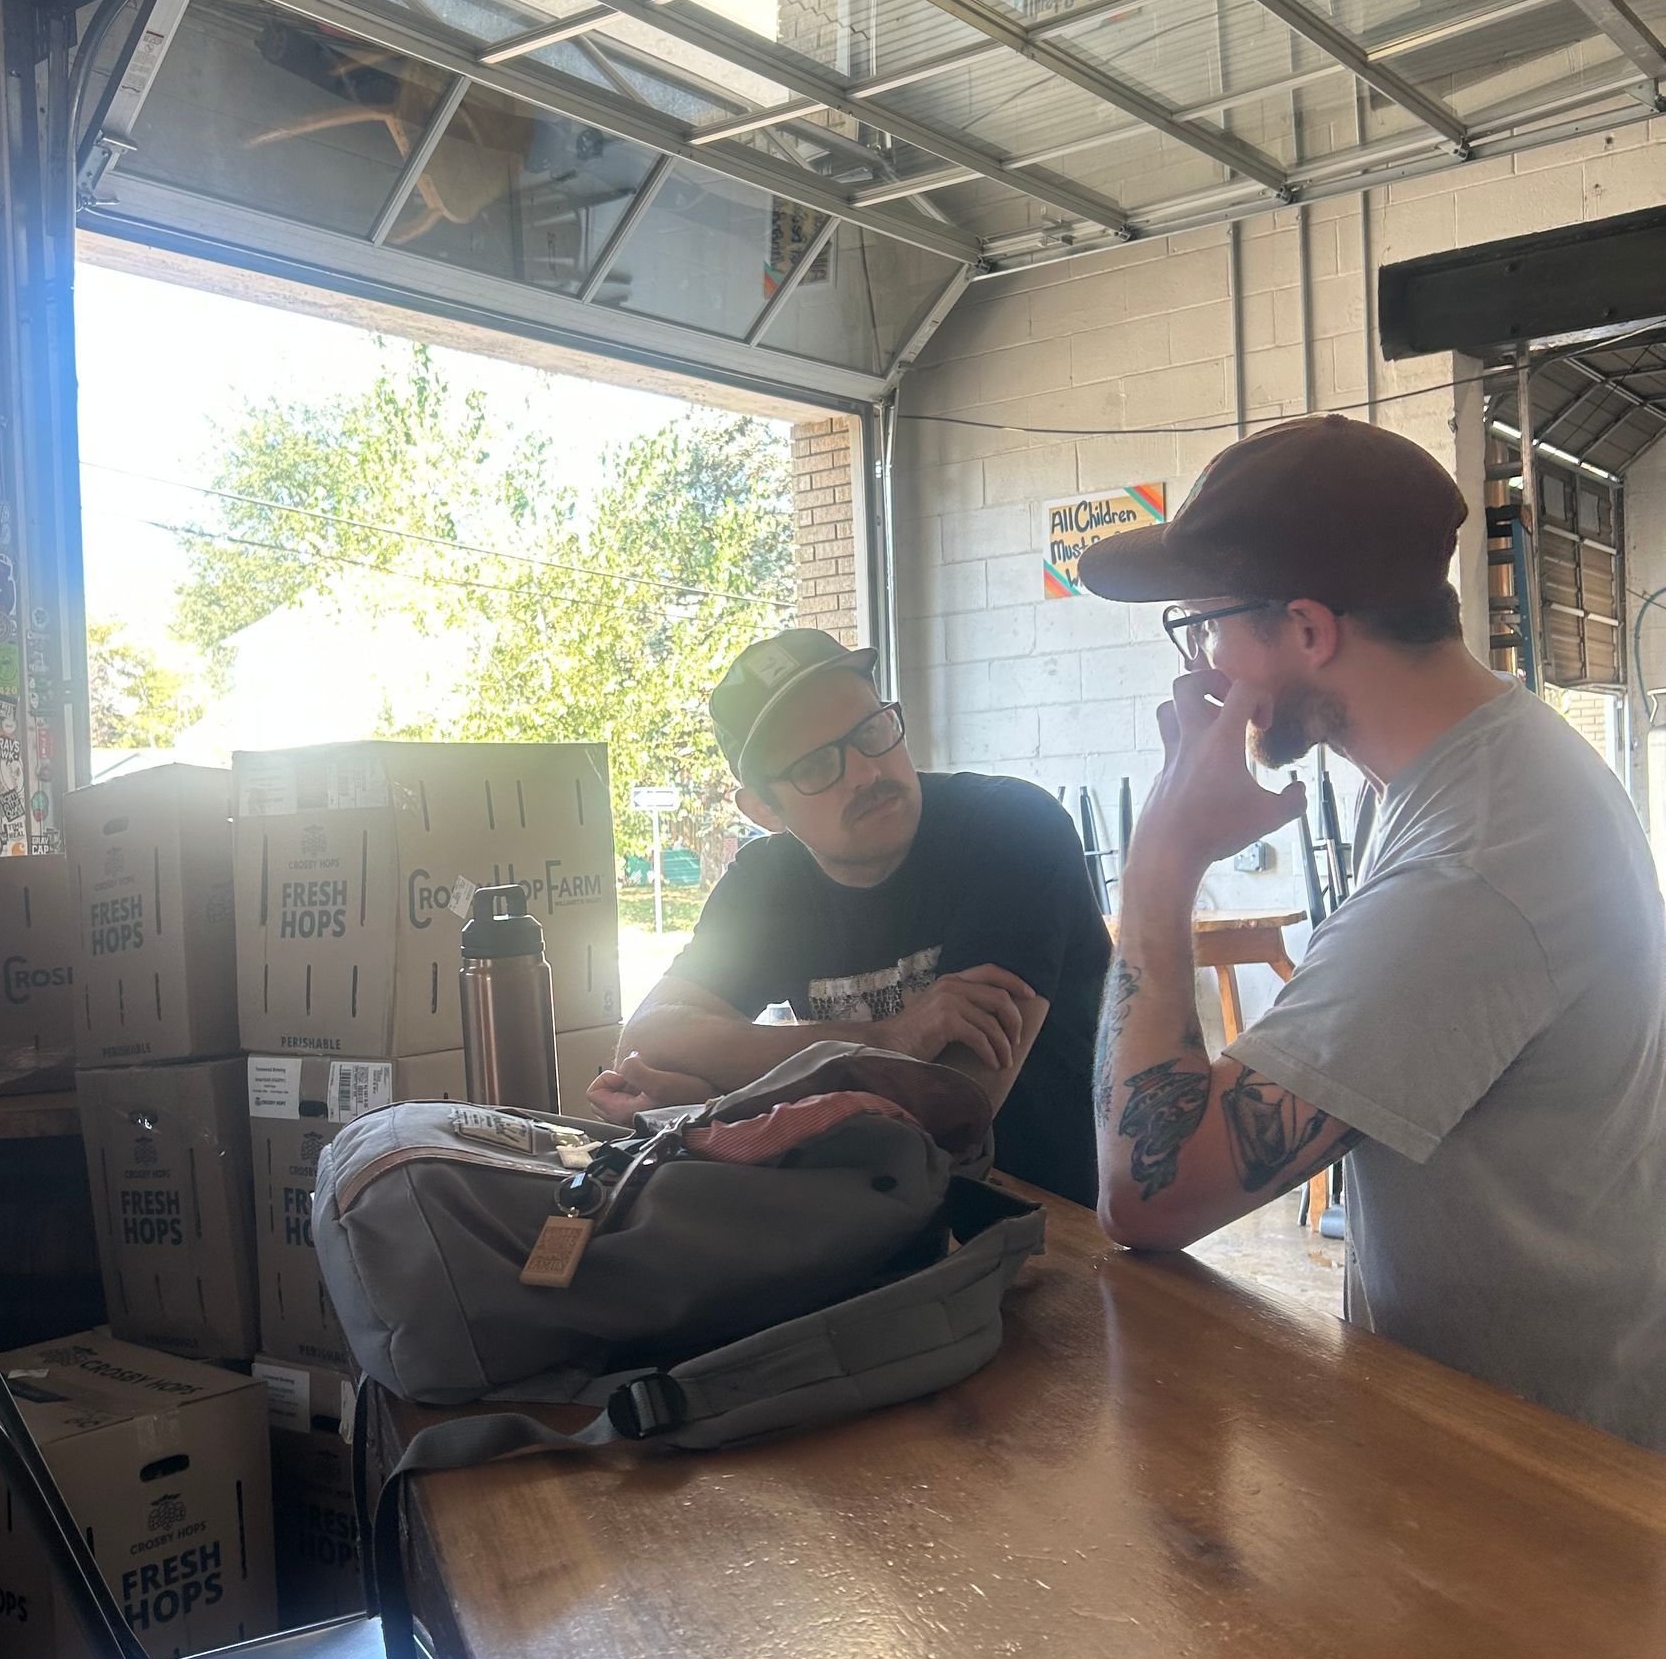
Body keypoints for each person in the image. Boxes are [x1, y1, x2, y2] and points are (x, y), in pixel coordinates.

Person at [1080, 412, 1666, 1450]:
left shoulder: (1474, 860)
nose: (1199, 667)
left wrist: (1162, 857)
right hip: (1510, 1426)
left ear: (1309, 631)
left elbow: (1149, 1194)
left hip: (1543, 1478)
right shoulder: (1456, 769)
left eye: (1205, 625)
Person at [590, 629, 1109, 1202]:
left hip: (1050, 1219)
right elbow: (649, 1038)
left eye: (871, 731)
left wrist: (714, 1105)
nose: (866, 773)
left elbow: (953, 1109)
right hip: (855, 1214)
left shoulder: (1012, 829)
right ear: (764, 809)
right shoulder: (766, 881)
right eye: (816, 765)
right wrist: (888, 1039)